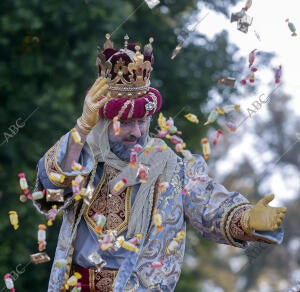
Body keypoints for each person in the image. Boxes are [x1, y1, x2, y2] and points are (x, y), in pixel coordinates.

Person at [33, 34, 286, 292]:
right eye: (127, 122)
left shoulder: (172, 168)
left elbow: (209, 205)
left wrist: (246, 218)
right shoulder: (85, 159)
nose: (137, 131)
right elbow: (50, 195)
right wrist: (81, 130)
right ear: (105, 123)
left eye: (143, 121)